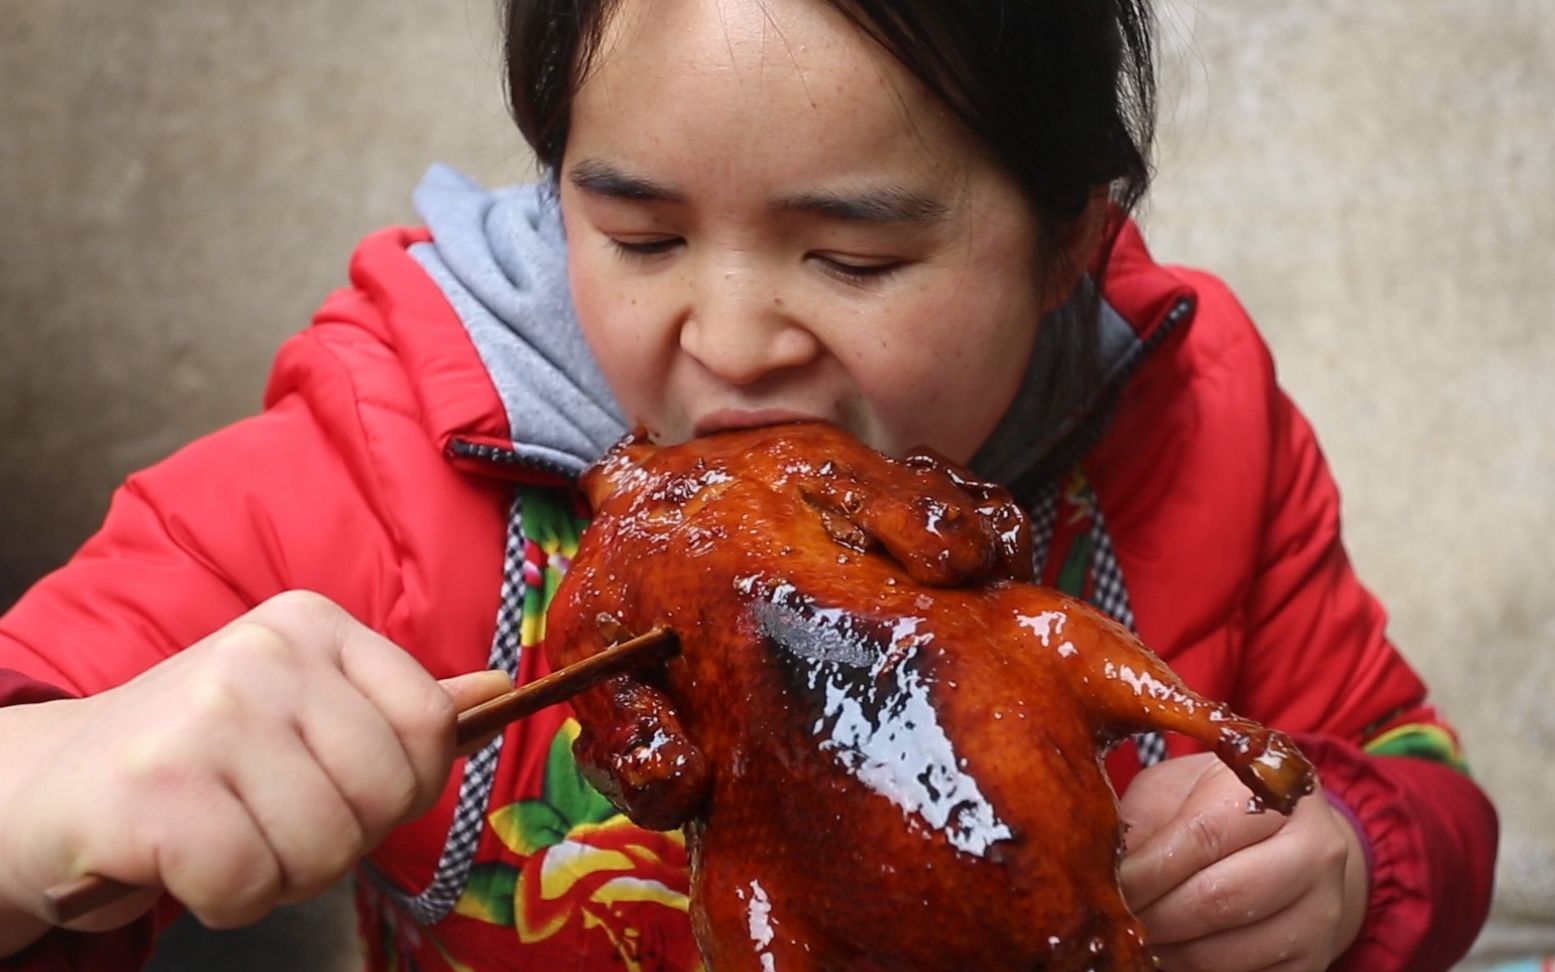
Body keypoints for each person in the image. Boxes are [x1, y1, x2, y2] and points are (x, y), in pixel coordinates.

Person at [0, 0, 1498, 969]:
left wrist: (1353, 864)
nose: (726, 344)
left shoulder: (1200, 431)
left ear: (1068, 245)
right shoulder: (377, 469)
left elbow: (1418, 776)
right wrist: (45, 793)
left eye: (851, 259)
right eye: (640, 241)